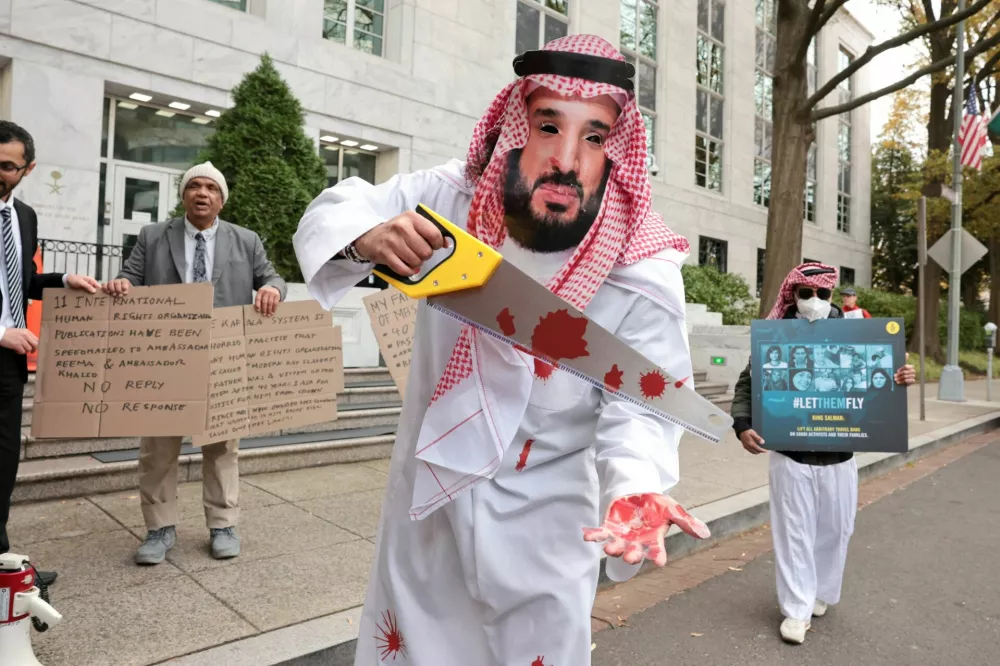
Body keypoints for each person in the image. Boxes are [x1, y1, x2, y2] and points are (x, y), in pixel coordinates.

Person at [294, 35, 710, 665]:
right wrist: (367, 239)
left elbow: (645, 404)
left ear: (614, 150)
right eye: (549, 126)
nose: (568, 159)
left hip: (546, 522)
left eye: (594, 138)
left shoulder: (641, 268)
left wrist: (634, 486)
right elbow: (336, 208)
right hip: (428, 509)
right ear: (516, 125)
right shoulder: (452, 203)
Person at [102, 161, 286, 565]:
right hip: (164, 359)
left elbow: (272, 277)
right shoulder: (153, 236)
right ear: (184, 195)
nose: (202, 194)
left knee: (222, 447)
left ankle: (223, 524)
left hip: (222, 357)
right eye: (195, 186)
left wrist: (272, 289)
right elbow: (129, 276)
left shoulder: (246, 239)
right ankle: (159, 528)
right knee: (158, 449)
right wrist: (122, 284)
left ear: (221, 199)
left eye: (211, 189)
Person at [731, 262, 915, 645]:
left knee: (837, 530)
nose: (814, 301)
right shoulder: (775, 336)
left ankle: (820, 592)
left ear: (832, 295)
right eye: (805, 293)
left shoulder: (859, 334)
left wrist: (899, 378)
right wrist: (742, 423)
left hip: (841, 454)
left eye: (822, 294)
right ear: (793, 295)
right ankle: (796, 609)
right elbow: (750, 382)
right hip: (791, 453)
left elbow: (880, 379)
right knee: (793, 532)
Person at [0, 121, 102, 585]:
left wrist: (63, 281)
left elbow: (18, 284)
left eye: (7, 166)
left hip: (9, 366)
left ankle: (1, 565)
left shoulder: (24, 217)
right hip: (4, 344)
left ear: (28, 169)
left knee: (3, 468)